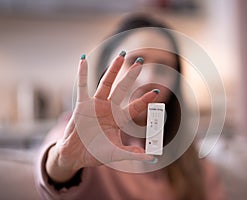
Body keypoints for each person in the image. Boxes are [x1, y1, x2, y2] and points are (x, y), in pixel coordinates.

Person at [35, 13, 225, 200]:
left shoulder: (188, 152)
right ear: (106, 69)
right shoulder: (82, 132)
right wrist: (63, 161)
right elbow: (55, 170)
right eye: (135, 62)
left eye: (163, 68)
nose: (149, 79)